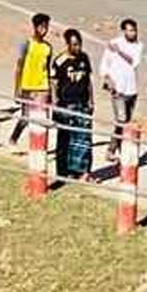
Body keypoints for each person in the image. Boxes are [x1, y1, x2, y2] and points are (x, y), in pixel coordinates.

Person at [51, 28, 95, 180]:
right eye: (74, 45)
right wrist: (56, 104)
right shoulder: (59, 61)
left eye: (79, 44)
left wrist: (91, 101)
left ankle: (84, 171)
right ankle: (64, 172)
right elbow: (54, 83)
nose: (78, 48)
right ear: (67, 45)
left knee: (84, 139)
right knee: (66, 140)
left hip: (82, 103)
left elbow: (88, 81)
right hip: (66, 105)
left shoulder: (84, 58)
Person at [6, 13, 53, 149]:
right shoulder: (27, 44)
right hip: (28, 86)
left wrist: (49, 89)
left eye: (46, 27)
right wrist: (17, 88)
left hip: (42, 87)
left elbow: (47, 69)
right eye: (41, 27)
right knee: (26, 117)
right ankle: (13, 138)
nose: (44, 30)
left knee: (42, 118)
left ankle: (39, 146)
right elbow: (19, 66)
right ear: (35, 27)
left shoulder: (48, 47)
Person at [99, 19, 142, 163]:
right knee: (121, 120)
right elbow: (105, 62)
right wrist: (106, 78)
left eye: (134, 30)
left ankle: (119, 148)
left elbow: (134, 61)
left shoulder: (138, 46)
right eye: (130, 30)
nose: (133, 33)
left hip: (131, 88)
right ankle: (112, 150)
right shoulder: (114, 43)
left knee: (125, 123)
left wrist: (119, 51)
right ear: (124, 31)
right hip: (117, 88)